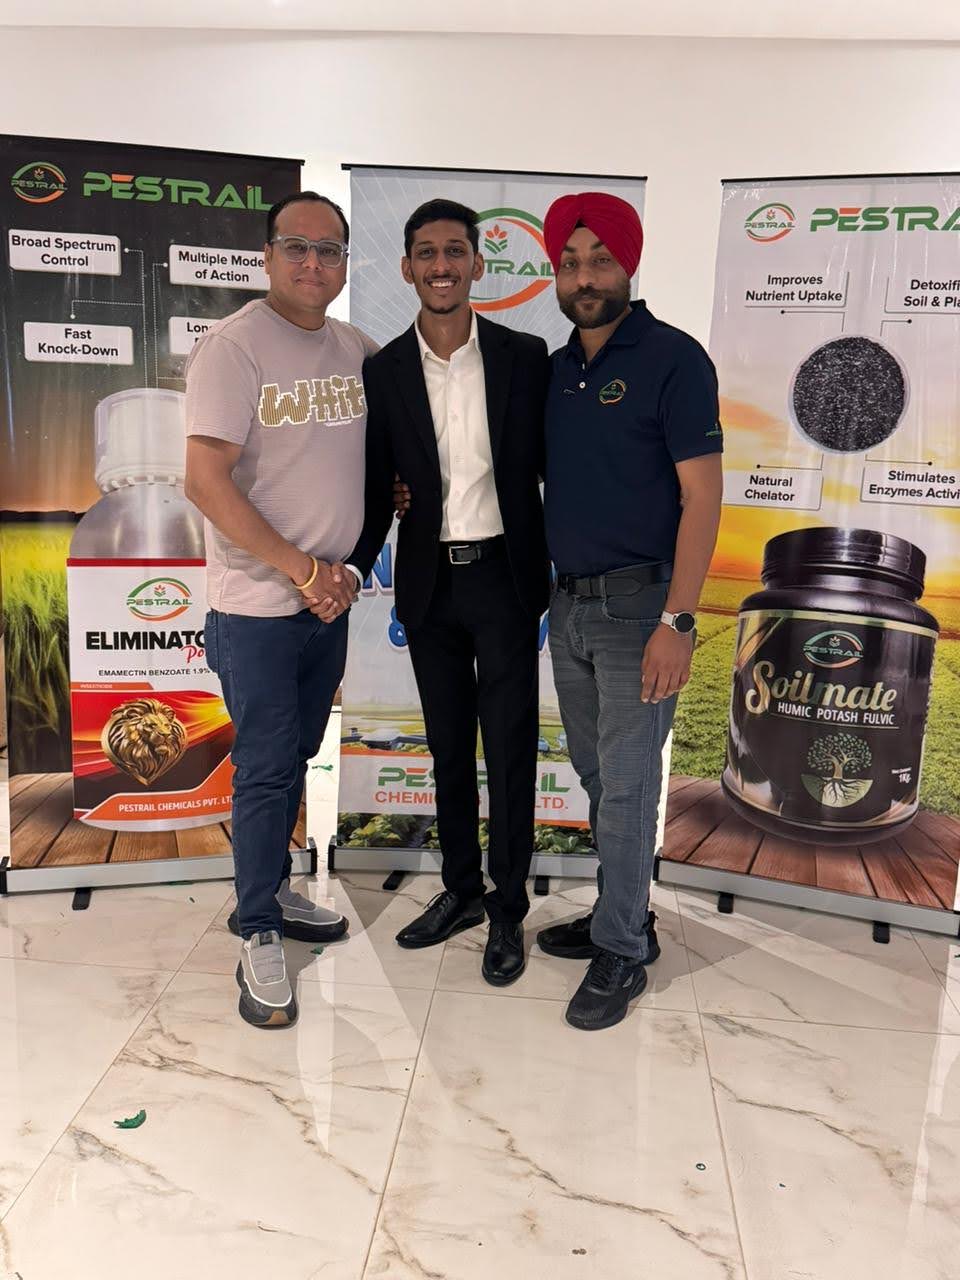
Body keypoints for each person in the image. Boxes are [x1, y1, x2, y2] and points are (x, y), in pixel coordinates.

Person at [345, 199, 550, 986]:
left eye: (455, 251)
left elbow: (555, 464)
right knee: (447, 749)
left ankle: (508, 908)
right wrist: (352, 567)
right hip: (428, 585)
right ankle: (461, 889)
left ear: (476, 264)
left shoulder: (525, 356)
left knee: (511, 749)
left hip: (505, 579)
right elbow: (377, 484)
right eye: (426, 252)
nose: (441, 265)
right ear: (407, 268)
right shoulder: (385, 369)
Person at [184, 191, 375, 1029]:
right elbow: (204, 480)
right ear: (267, 257)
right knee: (265, 767)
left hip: (327, 605)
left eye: (329, 250)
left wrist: (340, 572)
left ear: (344, 265)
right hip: (259, 607)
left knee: (296, 755)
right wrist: (303, 571)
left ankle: (274, 889)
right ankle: (256, 927)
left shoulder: (355, 349)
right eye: (296, 247)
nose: (312, 263)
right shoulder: (233, 347)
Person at [534, 192, 723, 1031]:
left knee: (628, 784)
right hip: (568, 607)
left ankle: (621, 950)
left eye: (600, 260)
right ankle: (624, 911)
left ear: (628, 265)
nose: (585, 278)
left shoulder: (674, 359)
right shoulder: (554, 373)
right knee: (601, 776)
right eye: (570, 263)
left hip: (642, 610)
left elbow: (703, 497)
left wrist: (678, 621)